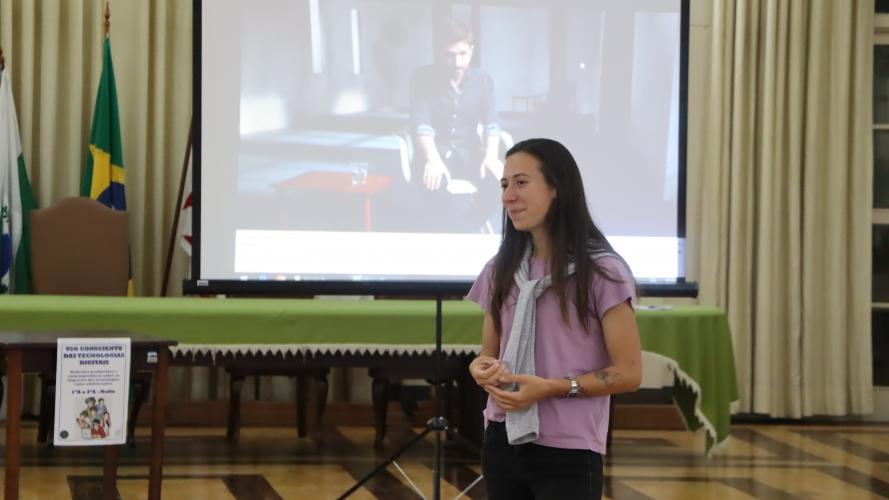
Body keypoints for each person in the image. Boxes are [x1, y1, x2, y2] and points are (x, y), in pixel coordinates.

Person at [467, 138, 642, 499]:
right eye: (504, 185)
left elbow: (629, 372)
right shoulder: (501, 270)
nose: (508, 196)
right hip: (502, 439)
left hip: (569, 448)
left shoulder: (603, 272)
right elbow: (487, 355)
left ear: (556, 188)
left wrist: (552, 387)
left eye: (520, 182)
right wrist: (480, 368)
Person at [409, 19, 503, 232]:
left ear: (471, 50)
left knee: (500, 184)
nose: (457, 62)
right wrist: (432, 160)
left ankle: (464, 229)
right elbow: (421, 124)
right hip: (433, 152)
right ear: (440, 53)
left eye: (462, 54)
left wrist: (490, 157)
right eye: (450, 55)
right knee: (433, 188)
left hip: (469, 153)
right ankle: (452, 232)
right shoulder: (422, 78)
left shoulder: (483, 80)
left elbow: (492, 124)